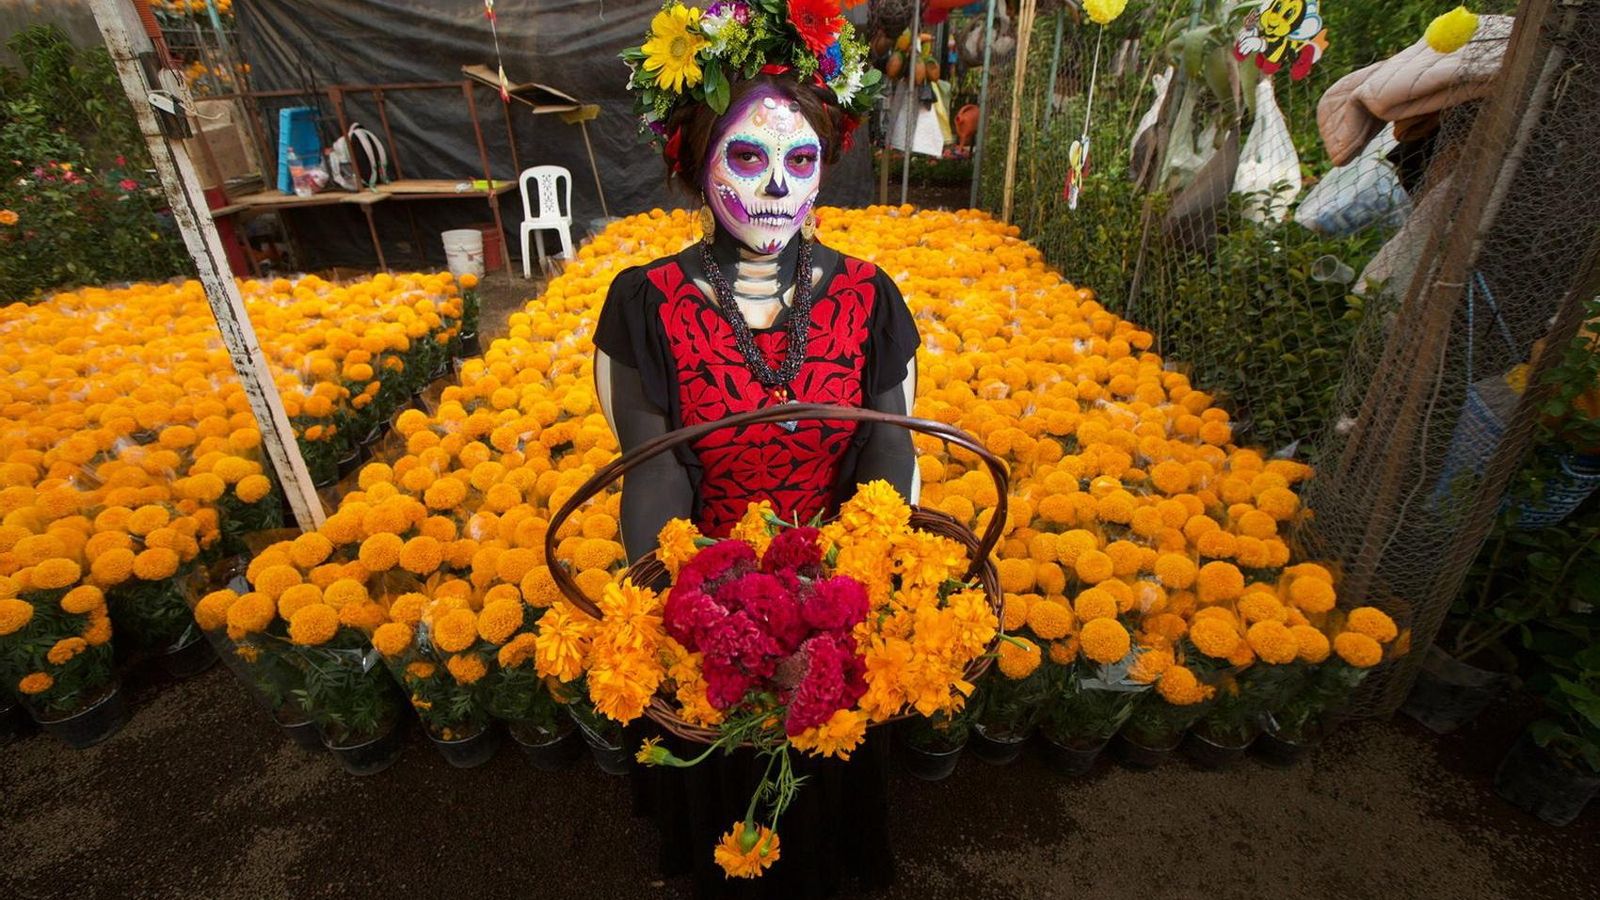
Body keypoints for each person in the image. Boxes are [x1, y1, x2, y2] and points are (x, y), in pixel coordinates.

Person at [595, 5, 917, 896]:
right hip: (708, 585)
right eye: (748, 155)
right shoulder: (644, 301)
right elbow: (653, 464)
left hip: (836, 581)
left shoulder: (868, 293)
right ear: (695, 159)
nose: (777, 186)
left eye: (801, 159)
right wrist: (684, 606)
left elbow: (892, 456)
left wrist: (857, 586)